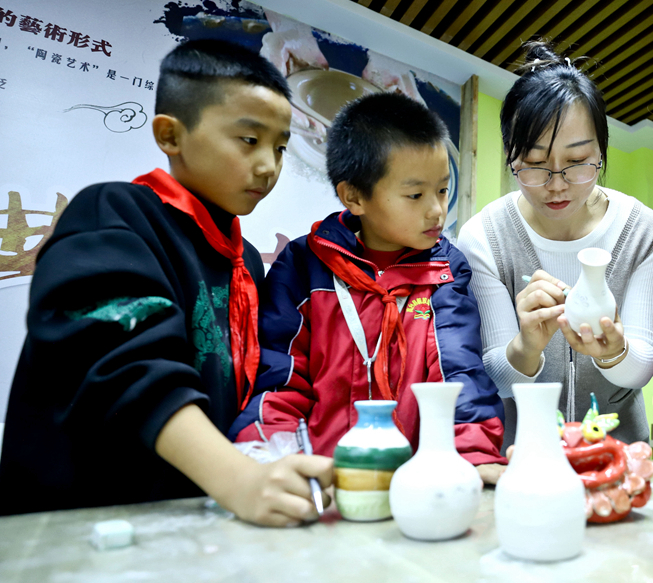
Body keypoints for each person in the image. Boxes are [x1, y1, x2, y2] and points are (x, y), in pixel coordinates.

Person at [0, 40, 333, 523]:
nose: (268, 165)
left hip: (189, 515)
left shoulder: (244, 261)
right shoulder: (113, 215)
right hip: (85, 520)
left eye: (280, 147)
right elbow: (124, 368)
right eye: (248, 139)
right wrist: (239, 479)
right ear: (170, 135)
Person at [230, 92, 507, 483]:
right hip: (325, 481)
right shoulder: (305, 266)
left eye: (443, 190)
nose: (436, 210)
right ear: (355, 196)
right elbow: (280, 377)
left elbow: (459, 373)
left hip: (419, 482)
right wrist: (272, 458)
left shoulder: (446, 270)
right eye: (415, 195)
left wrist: (474, 456)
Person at [458, 42, 653, 451]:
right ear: (511, 157)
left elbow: (642, 366)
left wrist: (614, 351)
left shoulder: (642, 229)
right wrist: (526, 346)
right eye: (535, 165)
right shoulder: (483, 236)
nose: (557, 185)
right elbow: (498, 379)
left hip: (618, 454)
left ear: (601, 151)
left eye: (577, 162)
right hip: (523, 454)